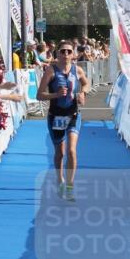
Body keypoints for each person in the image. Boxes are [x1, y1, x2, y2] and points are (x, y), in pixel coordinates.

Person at [37, 42, 87, 200]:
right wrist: (55, 95)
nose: (66, 54)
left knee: (72, 151)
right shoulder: (51, 71)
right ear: (57, 54)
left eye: (69, 51)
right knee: (60, 153)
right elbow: (39, 95)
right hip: (56, 116)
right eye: (62, 51)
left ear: (73, 54)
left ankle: (70, 186)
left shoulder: (77, 69)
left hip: (73, 115)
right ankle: (60, 180)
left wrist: (83, 93)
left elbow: (86, 83)